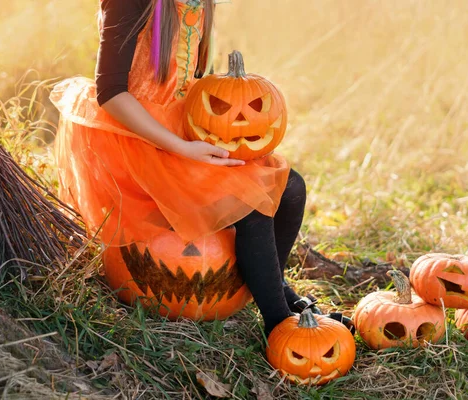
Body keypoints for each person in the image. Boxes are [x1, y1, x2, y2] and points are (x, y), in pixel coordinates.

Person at [51, 0, 352, 336]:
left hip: (183, 132)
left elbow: (188, 82)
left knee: (289, 188)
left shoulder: (200, 3)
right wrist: (182, 147)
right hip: (135, 140)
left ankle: (276, 289)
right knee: (249, 205)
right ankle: (279, 323)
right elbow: (110, 93)